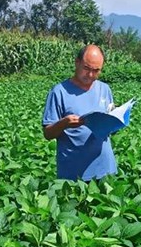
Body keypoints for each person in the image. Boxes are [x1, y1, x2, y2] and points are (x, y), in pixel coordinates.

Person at [42, 45, 118, 181]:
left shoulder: (105, 89)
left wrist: (115, 121)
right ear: (77, 63)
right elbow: (48, 134)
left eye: (96, 71)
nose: (90, 75)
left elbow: (110, 130)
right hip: (73, 174)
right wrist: (64, 123)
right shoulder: (59, 92)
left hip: (105, 170)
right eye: (86, 68)